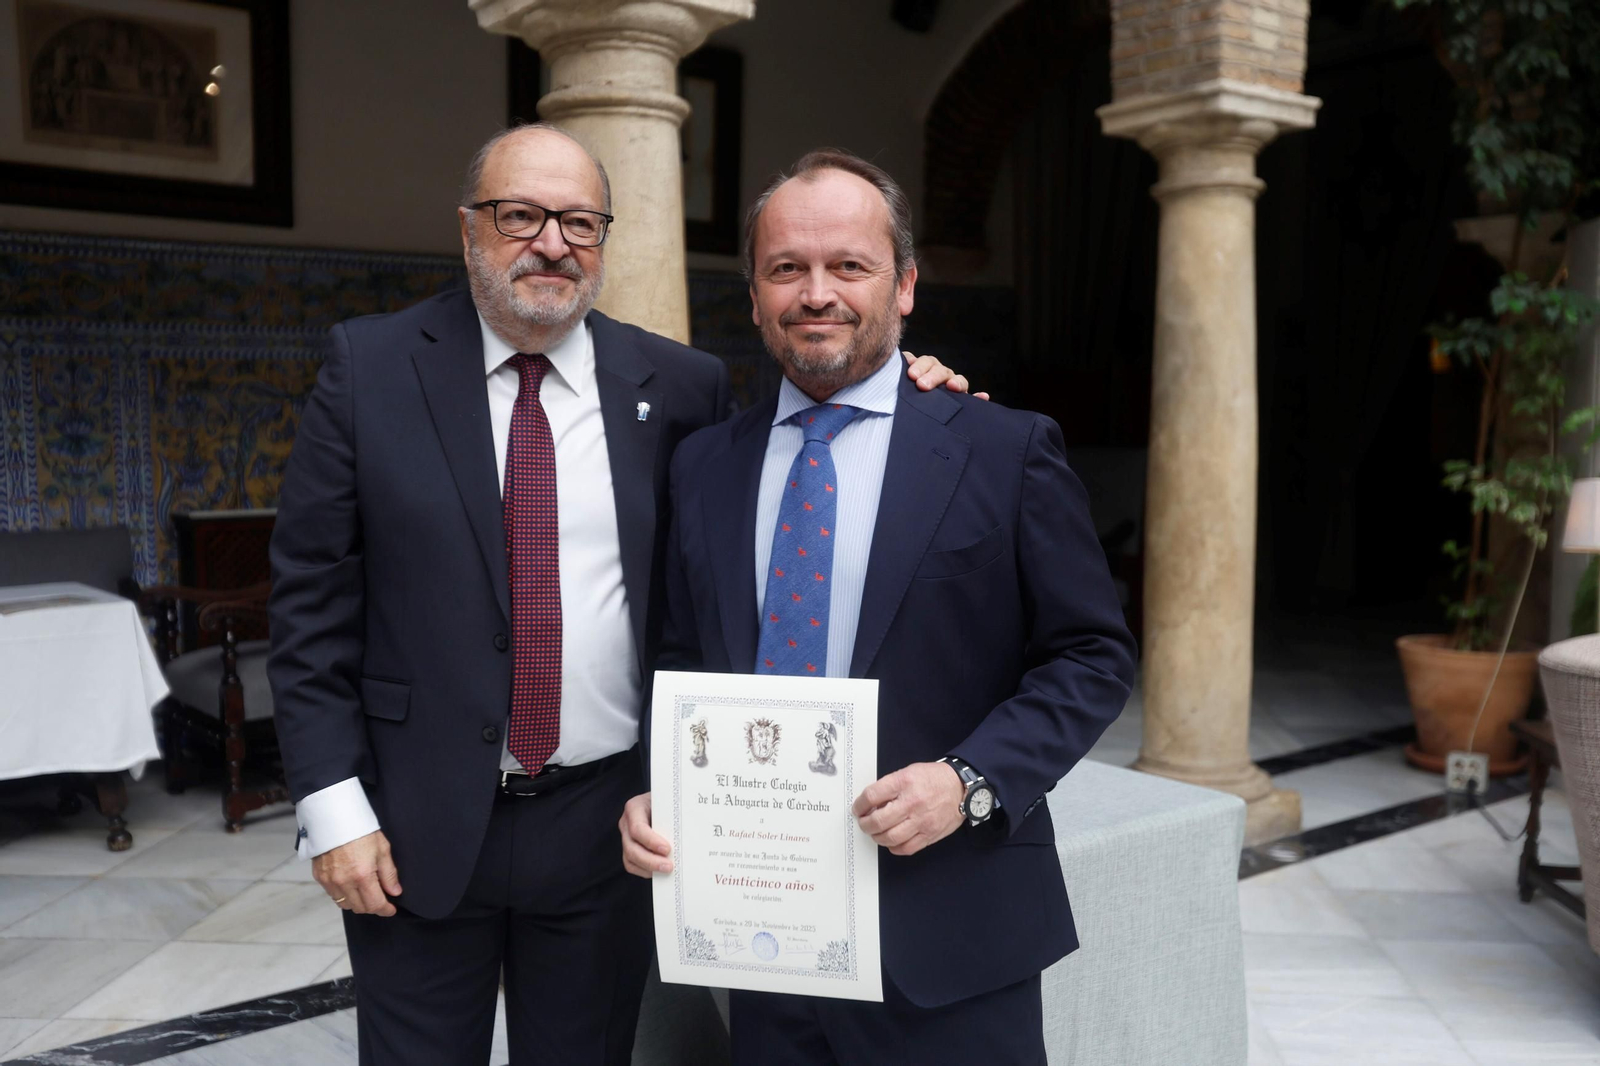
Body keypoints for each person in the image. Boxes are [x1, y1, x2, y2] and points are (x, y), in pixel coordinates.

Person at [267, 125, 971, 1066]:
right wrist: (333, 808)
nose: (551, 242)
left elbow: (780, 484)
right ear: (469, 228)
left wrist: (916, 387)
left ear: (604, 238)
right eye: (520, 215)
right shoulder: (370, 369)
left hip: (607, 830)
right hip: (413, 822)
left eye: (580, 221)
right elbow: (309, 607)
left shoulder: (681, 385)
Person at [619, 149, 1138, 1065]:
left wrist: (970, 781)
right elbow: (679, 659)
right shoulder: (704, 468)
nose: (816, 293)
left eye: (848, 266)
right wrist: (657, 790)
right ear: (753, 295)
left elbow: (1092, 657)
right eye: (787, 268)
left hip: (953, 937)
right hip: (767, 938)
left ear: (902, 286)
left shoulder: (1003, 450)